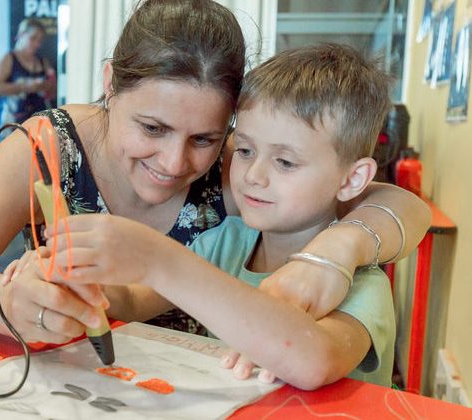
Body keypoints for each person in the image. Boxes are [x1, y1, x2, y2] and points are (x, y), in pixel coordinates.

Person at [0, 0, 429, 346]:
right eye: (152, 128)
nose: (176, 164)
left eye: (204, 138)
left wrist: (337, 253)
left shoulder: (241, 166)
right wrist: (9, 304)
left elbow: (399, 204)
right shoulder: (45, 149)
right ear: (110, 83)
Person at [38, 43, 398, 390]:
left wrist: (158, 258)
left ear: (352, 180)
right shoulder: (225, 241)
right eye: (244, 150)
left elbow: (315, 361)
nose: (253, 175)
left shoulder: (361, 282)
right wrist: (74, 279)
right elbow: (133, 301)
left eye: (285, 162)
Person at [0, 18, 55, 148]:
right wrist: (25, 86)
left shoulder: (42, 61)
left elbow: (52, 91)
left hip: (36, 122)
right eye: (33, 38)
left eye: (40, 41)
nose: (36, 44)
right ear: (21, 35)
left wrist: (47, 85)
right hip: (12, 122)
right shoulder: (9, 58)